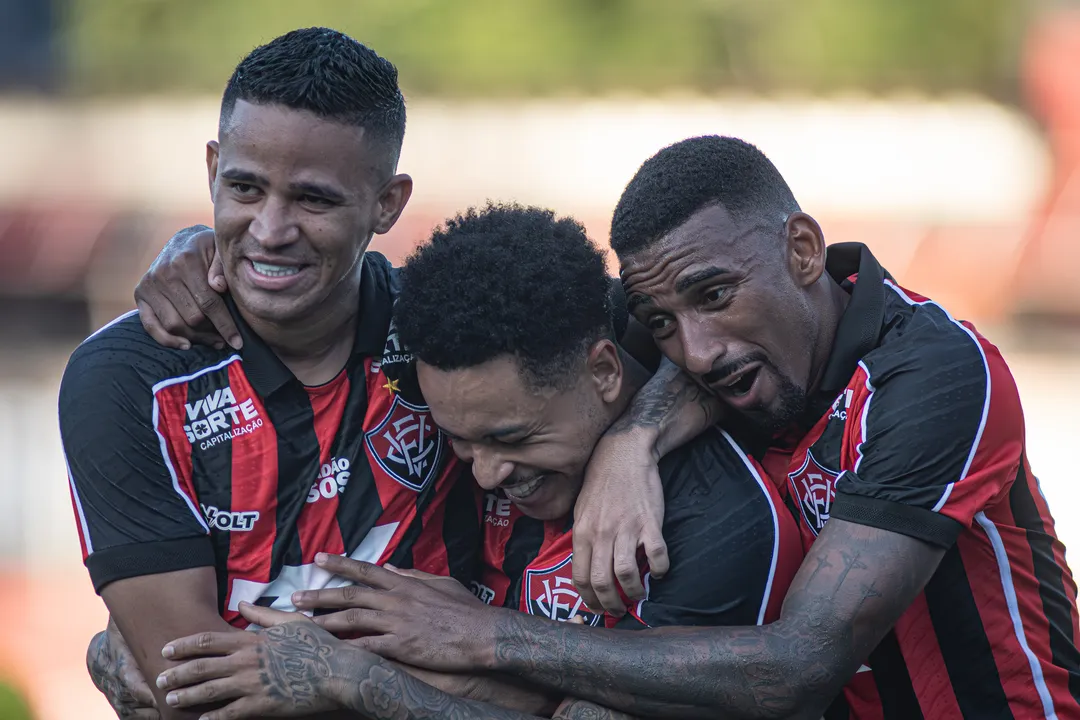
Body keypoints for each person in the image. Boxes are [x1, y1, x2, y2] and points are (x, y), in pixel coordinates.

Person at [148, 136, 1080, 719]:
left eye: (716, 296)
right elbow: (478, 302)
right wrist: (206, 252)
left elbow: (798, 667)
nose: (698, 348)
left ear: (803, 250)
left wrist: (482, 637)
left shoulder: (938, 376)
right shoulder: (670, 333)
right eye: (664, 323)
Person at [147, 202, 806, 719]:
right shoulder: (455, 424)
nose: (486, 472)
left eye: (514, 438)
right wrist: (200, 254)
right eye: (462, 442)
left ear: (603, 371)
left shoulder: (724, 523)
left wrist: (360, 682)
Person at [60, 28, 483, 719]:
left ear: (388, 203)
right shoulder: (128, 376)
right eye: (246, 188)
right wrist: (409, 666)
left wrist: (633, 442)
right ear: (211, 170)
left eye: (314, 200)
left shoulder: (457, 328)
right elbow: (191, 691)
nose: (270, 228)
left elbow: (664, 338)